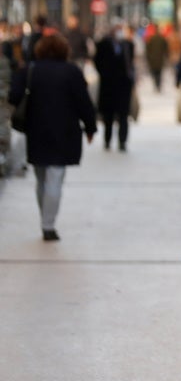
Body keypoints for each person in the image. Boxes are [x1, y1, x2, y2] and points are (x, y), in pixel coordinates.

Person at [7, 34, 97, 241]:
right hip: (64, 133)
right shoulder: (72, 72)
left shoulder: (30, 70)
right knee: (55, 178)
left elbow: (14, 96)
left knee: (41, 178)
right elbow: (84, 102)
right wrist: (90, 127)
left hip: (36, 130)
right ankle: (49, 224)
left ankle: (45, 219)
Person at [93, 23, 135, 151]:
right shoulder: (103, 44)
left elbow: (130, 64)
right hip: (108, 85)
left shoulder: (128, 45)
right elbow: (97, 61)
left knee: (123, 116)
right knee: (108, 116)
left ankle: (122, 141)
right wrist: (104, 74)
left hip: (123, 86)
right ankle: (107, 140)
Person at [144, 26, 169, 93]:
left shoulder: (151, 39)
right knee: (159, 74)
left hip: (153, 60)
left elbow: (147, 50)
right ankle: (158, 86)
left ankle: (156, 85)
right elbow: (166, 49)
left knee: (154, 74)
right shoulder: (161, 38)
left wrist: (148, 58)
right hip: (159, 60)